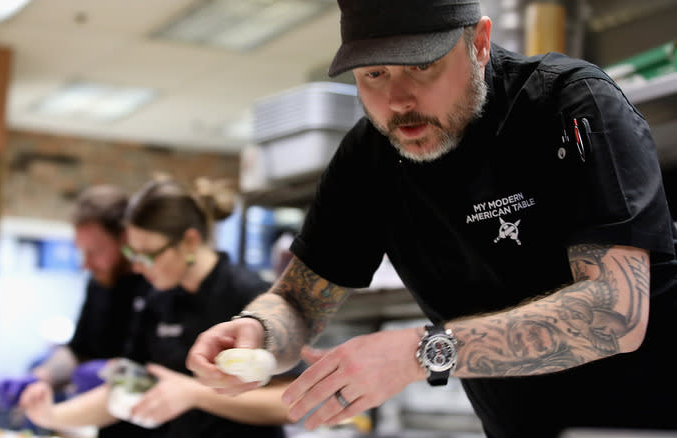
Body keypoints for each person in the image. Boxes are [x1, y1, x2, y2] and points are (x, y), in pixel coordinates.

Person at [186, 1, 677, 437]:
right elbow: (298, 302)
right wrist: (257, 332)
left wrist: (417, 354)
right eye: (373, 75)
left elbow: (616, 313)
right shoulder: (368, 157)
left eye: (421, 66)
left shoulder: (568, 105)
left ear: (479, 43)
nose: (398, 101)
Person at [20, 176, 298, 438]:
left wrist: (196, 393)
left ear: (189, 242)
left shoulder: (249, 295)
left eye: (147, 255)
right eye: (132, 253)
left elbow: (291, 401)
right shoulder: (157, 301)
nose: (138, 266)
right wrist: (50, 415)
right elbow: (127, 387)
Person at [0, 184, 153, 437]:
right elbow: (79, 350)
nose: (85, 263)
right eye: (82, 251)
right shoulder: (99, 283)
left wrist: (113, 373)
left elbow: (154, 376)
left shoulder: (155, 283)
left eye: (95, 251)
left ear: (125, 240)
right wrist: (41, 377)